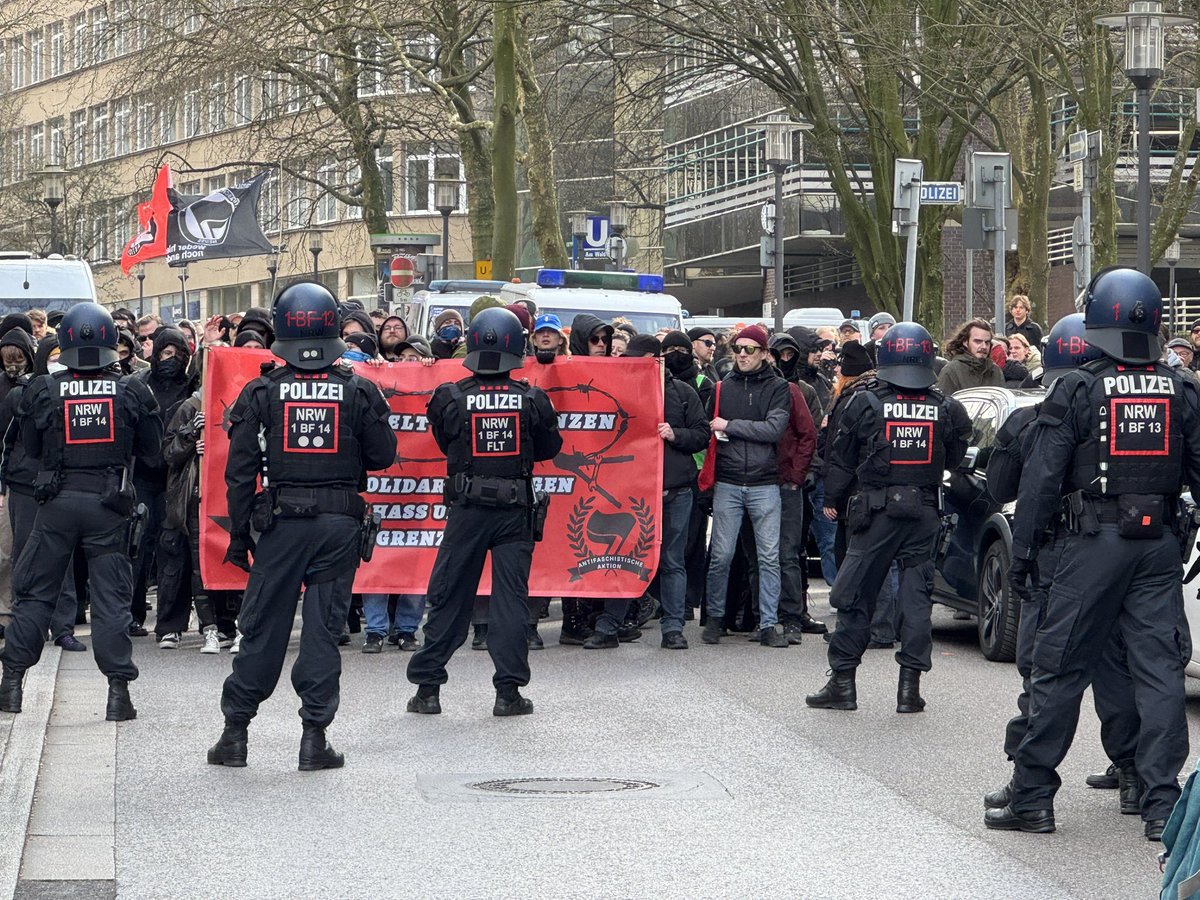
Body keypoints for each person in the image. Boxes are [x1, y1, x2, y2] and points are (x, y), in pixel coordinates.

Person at [985, 268, 1200, 840]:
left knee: (1058, 669)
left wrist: (1025, 555)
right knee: (1158, 674)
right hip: (1157, 548)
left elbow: (1040, 482)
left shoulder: (1077, 389)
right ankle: (1162, 808)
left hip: (1091, 545)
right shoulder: (1181, 388)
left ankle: (1031, 796)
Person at [207, 282, 397, 770]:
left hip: (281, 525)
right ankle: (314, 739)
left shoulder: (262, 390)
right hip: (338, 526)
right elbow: (383, 456)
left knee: (264, 630)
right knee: (321, 631)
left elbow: (240, 472)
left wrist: (239, 533)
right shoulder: (357, 388)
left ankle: (235, 734)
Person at [0, 303, 162, 719]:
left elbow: (32, 451)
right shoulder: (130, 390)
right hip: (109, 506)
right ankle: (117, 694)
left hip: (56, 503)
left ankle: (12, 684)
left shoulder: (43, 389)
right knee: (111, 601)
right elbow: (151, 451)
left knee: (35, 593)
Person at [806, 322, 971, 713]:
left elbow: (839, 455)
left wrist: (833, 497)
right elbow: (956, 453)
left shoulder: (864, 401)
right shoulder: (944, 405)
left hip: (875, 513)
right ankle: (909, 691)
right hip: (925, 511)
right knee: (916, 601)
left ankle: (843, 684)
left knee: (855, 595)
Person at [405, 308, 562, 716]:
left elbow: (445, 442)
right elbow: (549, 449)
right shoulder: (532, 398)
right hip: (514, 510)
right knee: (511, 600)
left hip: (467, 507)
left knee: (449, 595)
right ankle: (508, 693)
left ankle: (428, 690)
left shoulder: (450, 396)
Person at [582, 334, 708, 649]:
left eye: (637, 358)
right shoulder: (619, 392)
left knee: (671, 560)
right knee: (623, 557)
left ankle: (673, 628)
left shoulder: (682, 393)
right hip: (632, 491)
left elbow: (702, 434)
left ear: (654, 359)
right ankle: (611, 625)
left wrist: (675, 434)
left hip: (674, 491)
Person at [700, 325, 793, 648]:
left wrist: (730, 426)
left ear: (765, 354)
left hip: (764, 483)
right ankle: (715, 619)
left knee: (768, 557)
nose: (742, 354)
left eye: (750, 349)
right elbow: (710, 429)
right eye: (738, 348)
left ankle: (768, 623)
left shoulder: (779, 387)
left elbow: (774, 429)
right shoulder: (722, 388)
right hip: (728, 481)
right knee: (721, 556)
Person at [936, 318, 1004, 394]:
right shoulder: (951, 371)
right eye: (978, 341)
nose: (984, 346)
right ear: (965, 342)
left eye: (987, 342)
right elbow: (942, 403)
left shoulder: (995, 371)